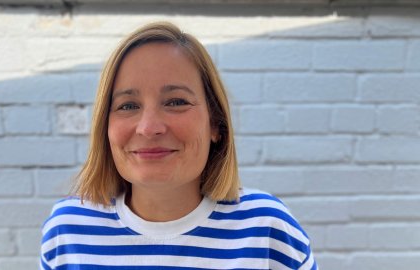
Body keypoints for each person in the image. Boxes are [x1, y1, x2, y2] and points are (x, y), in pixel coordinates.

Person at [40, 21, 317, 270]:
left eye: (176, 102)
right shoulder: (68, 230)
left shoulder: (265, 229)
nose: (149, 127)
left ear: (215, 124)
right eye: (128, 105)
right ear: (105, 126)